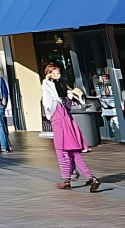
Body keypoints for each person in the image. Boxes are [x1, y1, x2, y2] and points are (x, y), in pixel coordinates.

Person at [42, 63, 100, 192]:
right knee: (71, 152)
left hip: (59, 120)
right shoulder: (60, 86)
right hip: (65, 119)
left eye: (58, 72)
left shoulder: (49, 85)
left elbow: (53, 102)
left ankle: (85, 178)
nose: (58, 75)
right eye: (55, 72)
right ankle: (70, 180)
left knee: (62, 151)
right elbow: (65, 102)